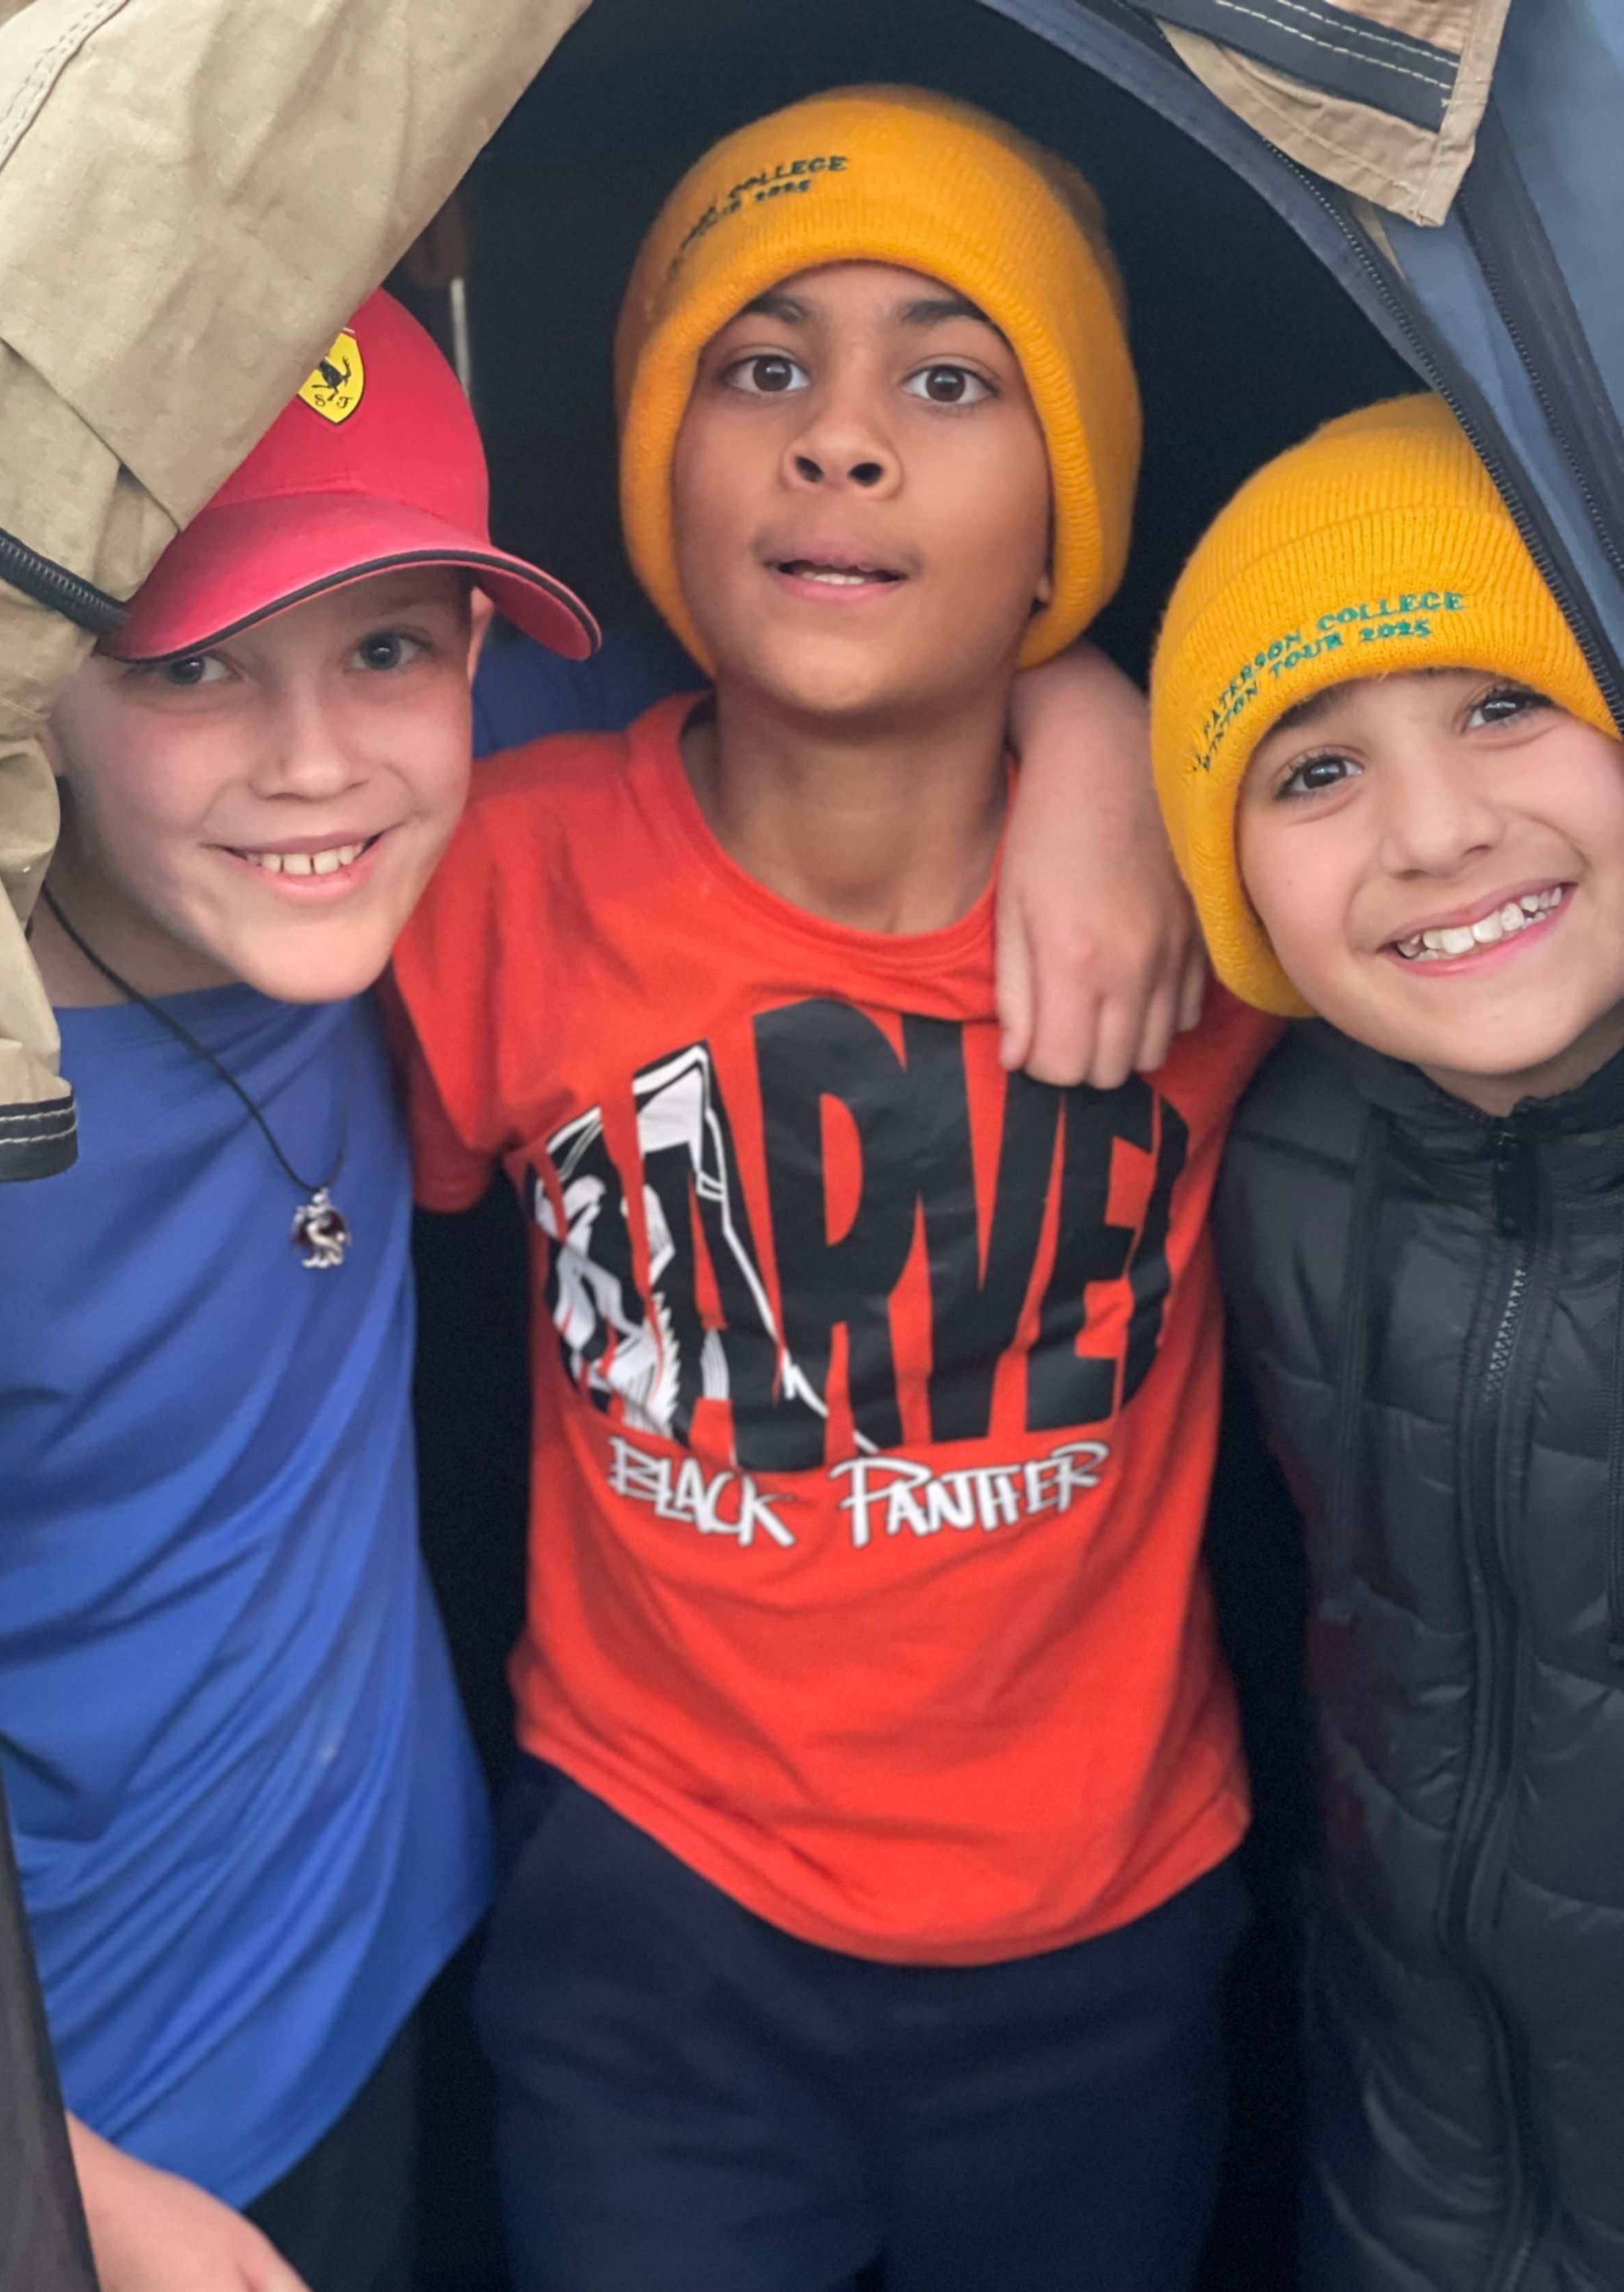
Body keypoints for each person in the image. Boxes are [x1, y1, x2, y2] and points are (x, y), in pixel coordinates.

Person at [391, 87, 1275, 2292]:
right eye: (760, 366)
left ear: (1069, 507)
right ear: (656, 470)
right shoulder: (490, 881)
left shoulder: (1226, 891)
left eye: (951, 381)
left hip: (1104, 1933)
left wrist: (1100, 714)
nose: (842, 442)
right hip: (652, 1918)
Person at [0, 289, 600, 2292]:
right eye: (193, 663)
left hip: (396, 1952)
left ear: (472, 658)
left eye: (385, 647)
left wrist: (1076, 738)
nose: (314, 764)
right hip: (76, 2112)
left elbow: (825, 681)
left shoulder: (409, 826)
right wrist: (41, 2174)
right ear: (36, 693)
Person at [1150, 393, 1624, 2292]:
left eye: (1504, 702)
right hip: (1410, 2153)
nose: (1436, 831)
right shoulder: (1267, 1152)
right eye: (1316, 769)